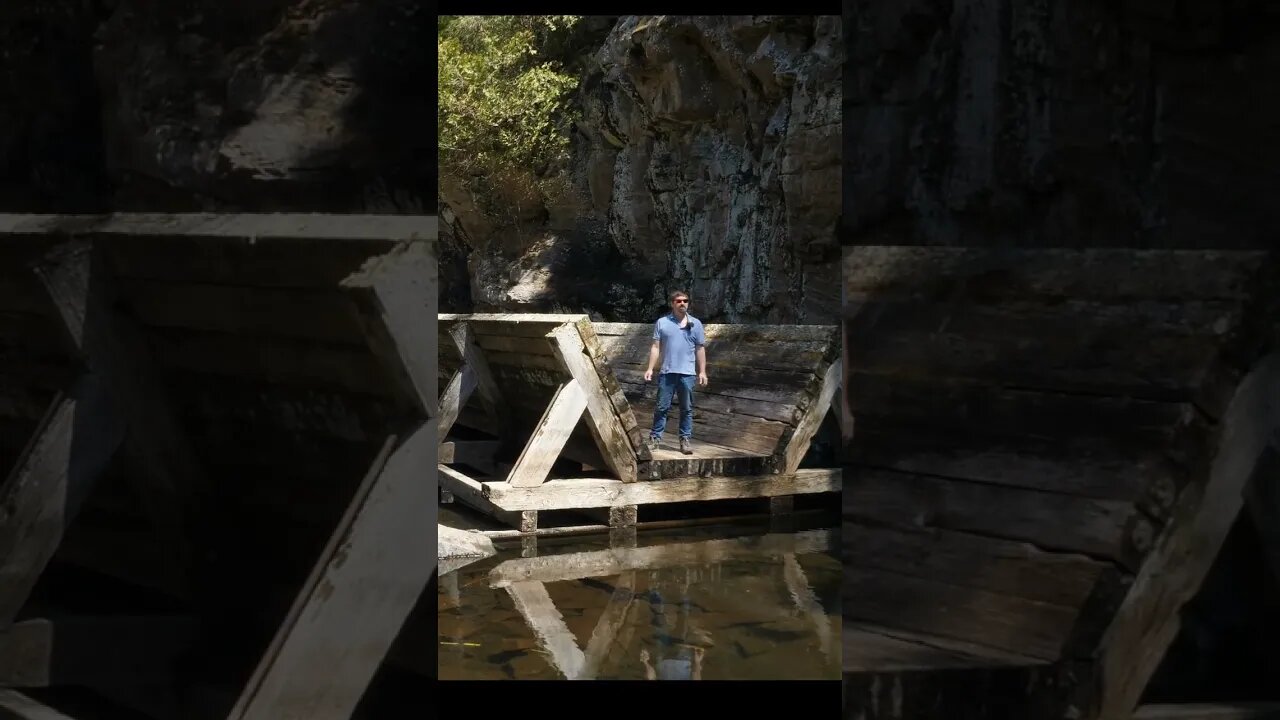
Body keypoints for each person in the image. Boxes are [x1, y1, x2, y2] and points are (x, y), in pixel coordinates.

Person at [643, 290, 708, 455]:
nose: (682, 304)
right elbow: (656, 347)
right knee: (662, 407)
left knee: (686, 408)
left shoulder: (696, 324)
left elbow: (700, 349)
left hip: (687, 374)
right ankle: (655, 438)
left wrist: (702, 372)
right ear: (672, 303)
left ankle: (685, 439)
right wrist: (650, 368)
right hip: (667, 372)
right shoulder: (662, 323)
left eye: (685, 301)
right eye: (678, 301)